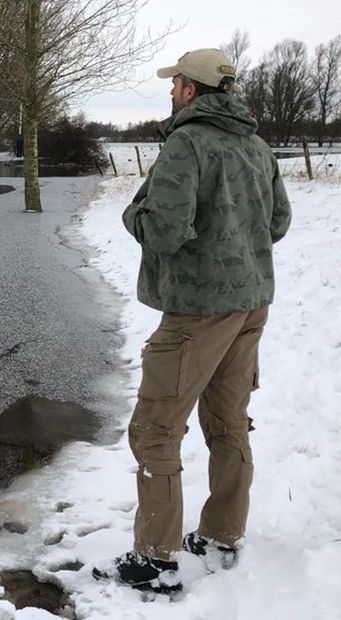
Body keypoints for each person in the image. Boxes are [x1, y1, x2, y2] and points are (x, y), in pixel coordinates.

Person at [91, 48, 292, 594]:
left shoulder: (186, 142)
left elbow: (162, 231)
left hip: (199, 312)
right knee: (228, 421)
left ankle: (155, 561)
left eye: (176, 81)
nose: (171, 88)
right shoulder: (256, 145)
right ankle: (222, 534)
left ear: (192, 89)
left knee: (155, 428)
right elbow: (278, 223)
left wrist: (132, 212)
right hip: (251, 303)